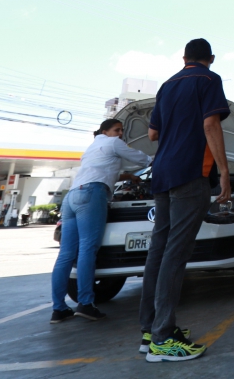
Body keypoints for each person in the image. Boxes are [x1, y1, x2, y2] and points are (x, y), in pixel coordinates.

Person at [139, 38, 231, 363]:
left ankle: (150, 330)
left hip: (161, 172)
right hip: (189, 173)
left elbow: (153, 134)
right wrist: (223, 171)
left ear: (184, 58)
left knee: (160, 250)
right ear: (211, 58)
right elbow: (210, 123)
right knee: (175, 255)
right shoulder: (209, 79)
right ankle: (163, 340)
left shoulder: (167, 85)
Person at [50, 118, 150, 324]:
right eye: (117, 129)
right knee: (88, 248)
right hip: (92, 195)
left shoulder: (93, 147)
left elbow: (102, 171)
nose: (120, 133)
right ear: (105, 130)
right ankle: (86, 304)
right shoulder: (112, 142)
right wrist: (163, 159)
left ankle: (58, 308)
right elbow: (142, 159)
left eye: (122, 130)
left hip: (72, 197)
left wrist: (128, 177)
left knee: (66, 254)